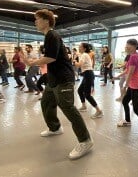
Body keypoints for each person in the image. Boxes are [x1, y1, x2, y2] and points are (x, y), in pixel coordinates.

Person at [25, 9, 93, 160]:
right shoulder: (48, 36)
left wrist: (32, 62)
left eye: (37, 19)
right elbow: (50, 57)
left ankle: (85, 140)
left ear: (47, 21)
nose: (35, 22)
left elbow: (50, 58)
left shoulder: (52, 34)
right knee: (46, 103)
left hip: (64, 79)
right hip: (53, 79)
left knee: (68, 108)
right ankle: (55, 127)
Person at [116, 39, 138, 142]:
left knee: (137, 109)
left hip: (137, 87)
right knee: (125, 101)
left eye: (129, 46)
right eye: (126, 46)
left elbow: (131, 73)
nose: (126, 48)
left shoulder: (134, 57)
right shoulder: (132, 56)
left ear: (135, 46)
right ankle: (127, 121)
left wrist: (125, 86)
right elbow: (127, 70)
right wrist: (118, 75)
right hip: (133, 86)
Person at [74, 43, 103, 118]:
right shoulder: (83, 55)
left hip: (88, 74)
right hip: (87, 75)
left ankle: (99, 111)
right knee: (80, 90)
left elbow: (79, 65)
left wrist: (74, 62)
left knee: (87, 95)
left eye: (80, 47)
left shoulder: (85, 55)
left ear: (84, 48)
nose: (78, 48)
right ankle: (84, 106)